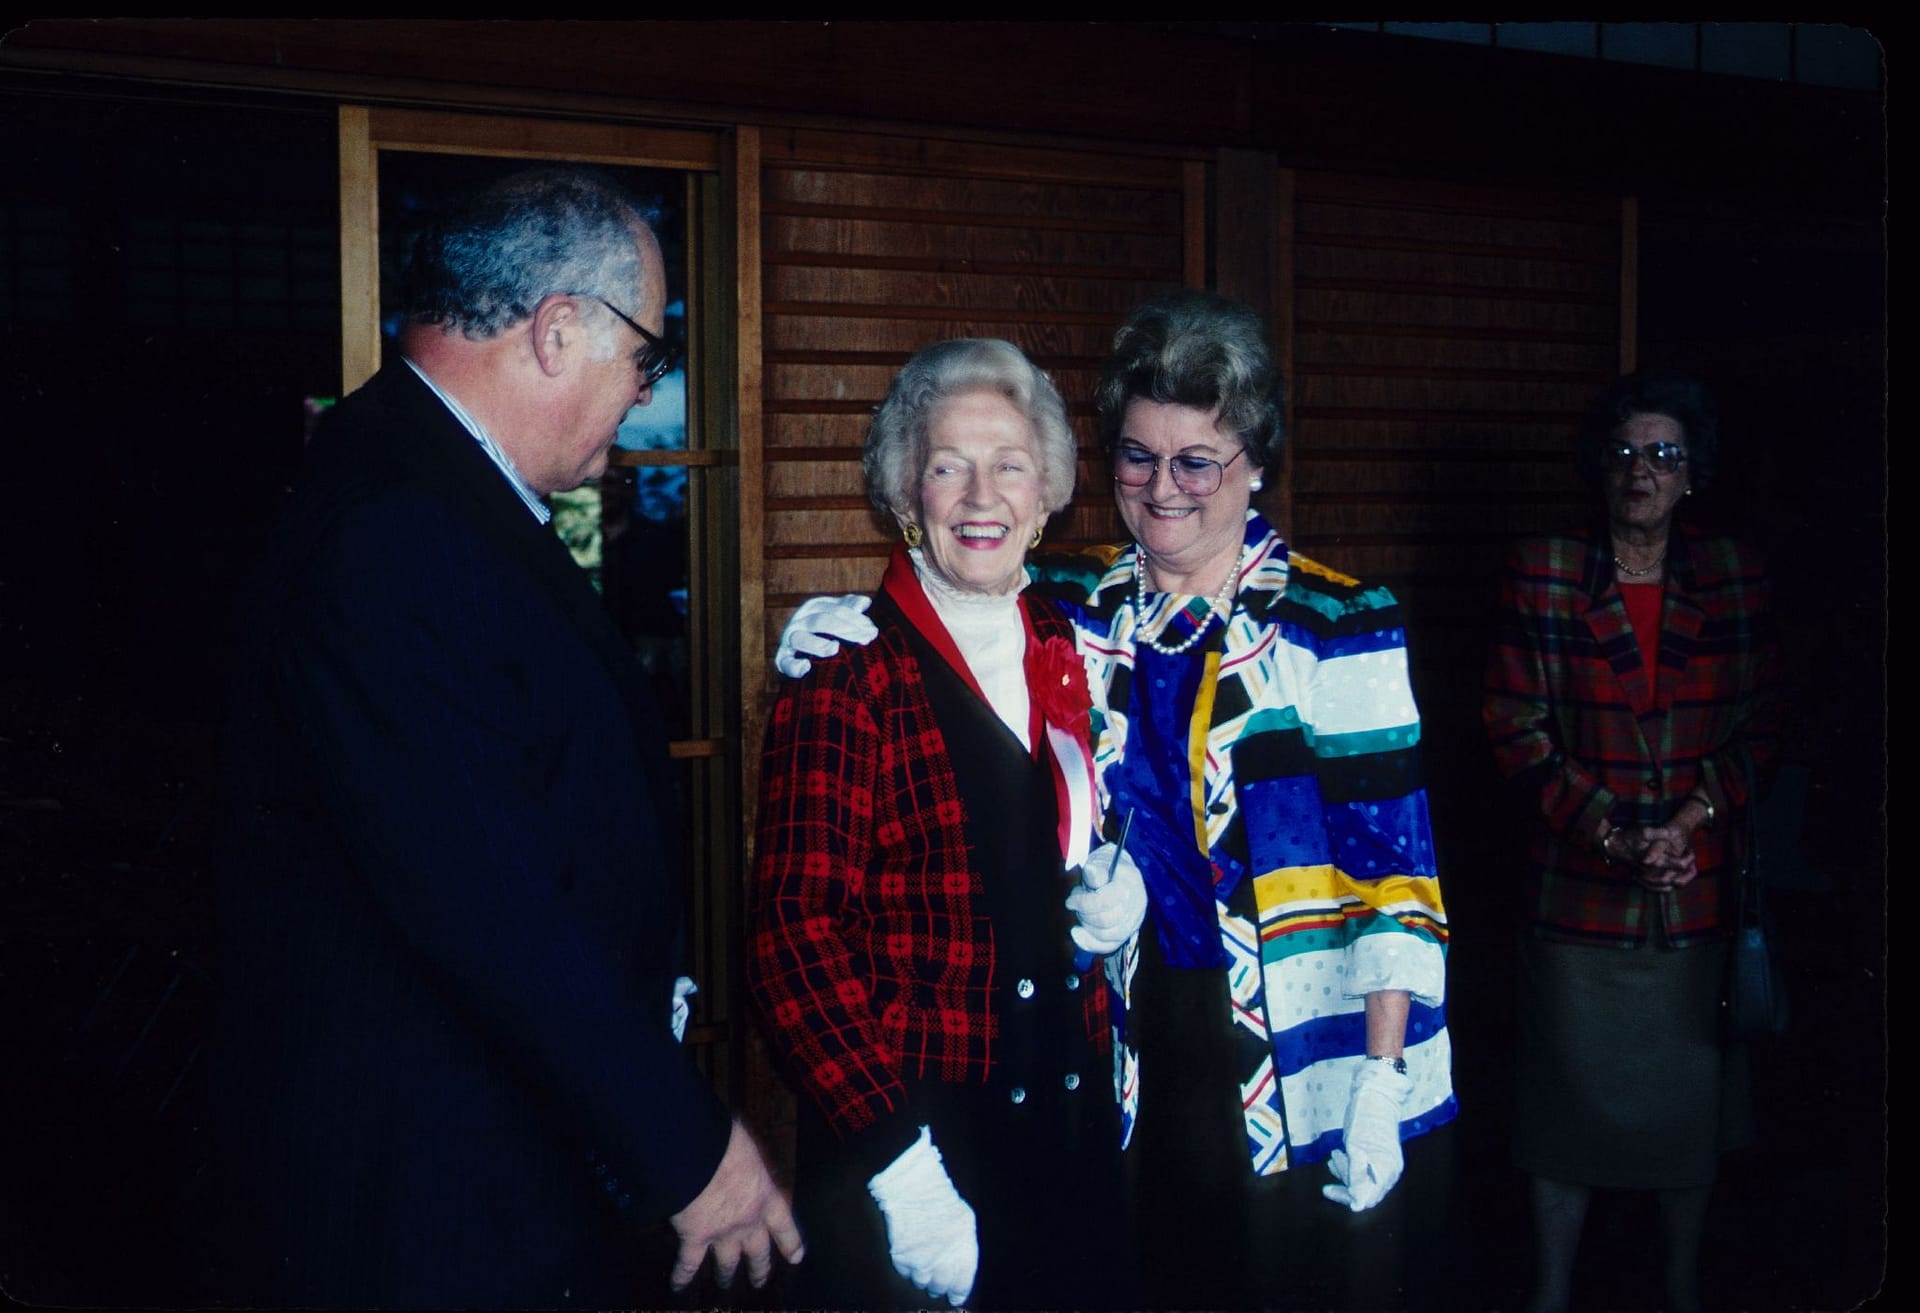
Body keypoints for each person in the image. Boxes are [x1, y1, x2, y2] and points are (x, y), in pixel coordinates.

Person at [779, 292, 1455, 1310]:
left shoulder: (1339, 621)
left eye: (1199, 460)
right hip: (1139, 1048)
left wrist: (1381, 1074)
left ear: (1257, 464)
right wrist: (836, 617)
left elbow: (1395, 876)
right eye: (1138, 456)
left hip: (1315, 1045)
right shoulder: (1080, 598)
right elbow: (960, 574)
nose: (1163, 487)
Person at [205, 167, 800, 1308]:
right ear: (558, 330)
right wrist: (689, 1146)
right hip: (426, 1186)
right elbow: (489, 897)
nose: (641, 392)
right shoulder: (396, 526)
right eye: (647, 355)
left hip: (486, 1147)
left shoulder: (429, 486)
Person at [747, 338, 1140, 1311]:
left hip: (1069, 1127)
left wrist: (1115, 910)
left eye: (1009, 464)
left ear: (1046, 491)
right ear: (903, 490)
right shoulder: (847, 668)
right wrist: (899, 1165)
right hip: (918, 1148)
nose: (980, 495)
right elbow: (790, 940)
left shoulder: (1074, 640)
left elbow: (1098, 825)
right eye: (946, 464)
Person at [1484, 368, 1777, 1313]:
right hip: (1577, 892)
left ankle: (1683, 1286)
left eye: (1663, 454)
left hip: (1692, 888)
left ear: (1693, 474)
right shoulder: (1550, 568)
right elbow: (1514, 726)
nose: (1642, 471)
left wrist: (1687, 827)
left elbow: (1761, 731)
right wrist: (1611, 834)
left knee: (1686, 1111)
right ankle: (1551, 1291)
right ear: (1598, 469)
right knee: (1565, 1109)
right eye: (1624, 453)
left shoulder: (1730, 573)